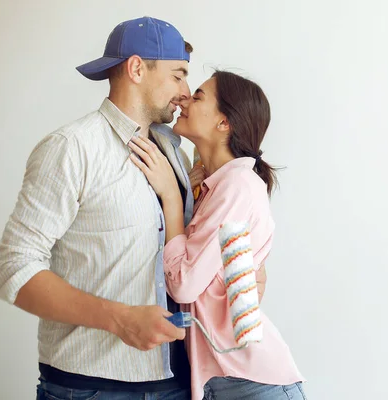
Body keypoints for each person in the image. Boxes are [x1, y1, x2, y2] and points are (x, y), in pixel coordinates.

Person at [0, 16, 268, 399]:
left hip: (179, 382)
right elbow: (14, 270)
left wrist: (251, 271)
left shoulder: (174, 149)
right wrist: (118, 319)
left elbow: (191, 254)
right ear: (137, 68)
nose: (186, 92)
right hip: (90, 388)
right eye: (178, 75)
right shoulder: (72, 149)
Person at [130, 70, 306, 400]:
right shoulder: (218, 187)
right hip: (227, 380)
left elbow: (184, 283)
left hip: (249, 383)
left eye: (197, 97)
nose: (184, 99)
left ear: (224, 123)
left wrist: (170, 196)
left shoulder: (237, 187)